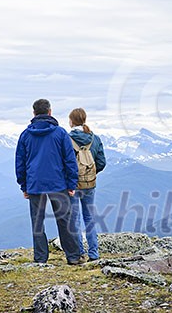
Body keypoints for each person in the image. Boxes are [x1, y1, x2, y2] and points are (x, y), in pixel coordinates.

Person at [15, 99, 84, 265]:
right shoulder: (60, 133)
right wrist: (71, 183)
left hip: (35, 184)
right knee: (65, 220)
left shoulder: (25, 135)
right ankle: (73, 257)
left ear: (34, 113)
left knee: (37, 222)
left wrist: (24, 185)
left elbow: (20, 162)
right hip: (58, 183)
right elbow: (69, 160)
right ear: (50, 112)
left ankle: (40, 259)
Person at [68, 108, 106, 261]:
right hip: (89, 185)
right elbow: (102, 162)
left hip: (72, 185)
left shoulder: (66, 138)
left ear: (72, 121)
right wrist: (90, 174)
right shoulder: (95, 139)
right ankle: (94, 253)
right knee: (89, 218)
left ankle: (79, 254)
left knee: (74, 218)